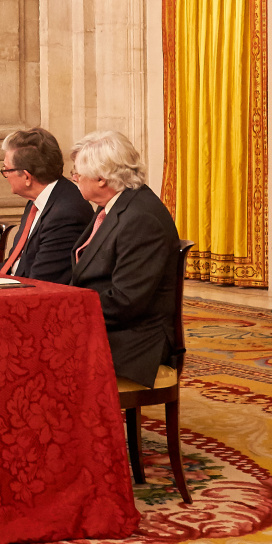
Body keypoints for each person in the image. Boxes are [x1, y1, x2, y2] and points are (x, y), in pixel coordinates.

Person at [66, 131, 181, 388]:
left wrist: (68, 313)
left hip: (136, 339)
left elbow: (127, 301)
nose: (74, 179)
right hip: (109, 325)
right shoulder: (115, 204)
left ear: (101, 179)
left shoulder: (141, 218)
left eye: (77, 174)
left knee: (38, 353)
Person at [0, 127, 94, 284]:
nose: (5, 175)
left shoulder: (66, 213)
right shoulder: (36, 201)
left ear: (27, 177)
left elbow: (42, 282)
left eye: (6, 169)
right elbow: (16, 263)